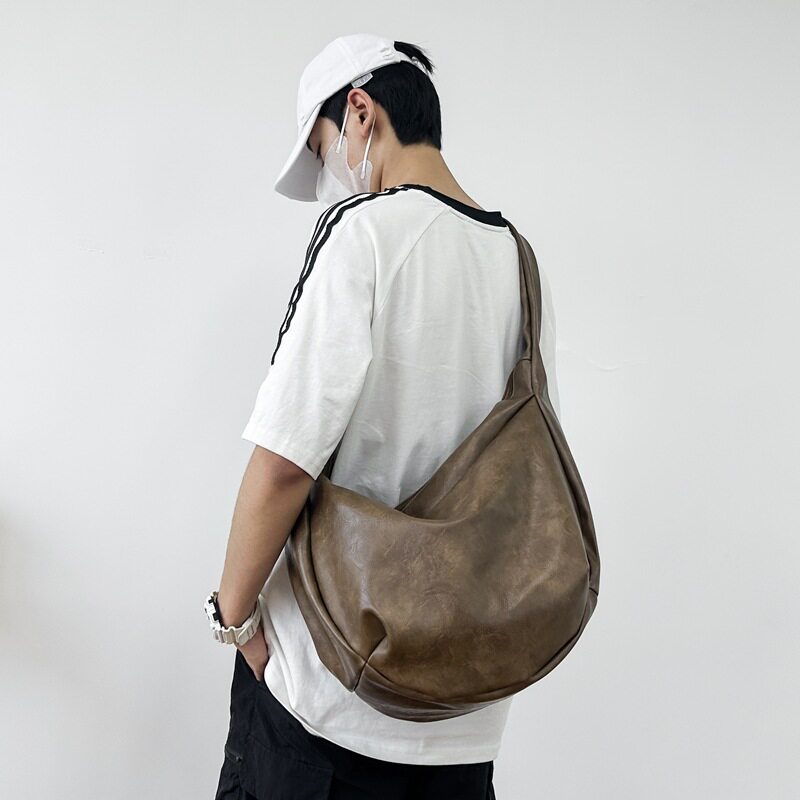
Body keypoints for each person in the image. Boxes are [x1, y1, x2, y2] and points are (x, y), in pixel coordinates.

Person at [208, 32, 561, 799]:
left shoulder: (363, 234)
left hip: (327, 704)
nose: (333, 175)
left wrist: (234, 621)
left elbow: (283, 464)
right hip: (463, 719)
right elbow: (528, 482)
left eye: (324, 146)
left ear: (361, 113)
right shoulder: (519, 262)